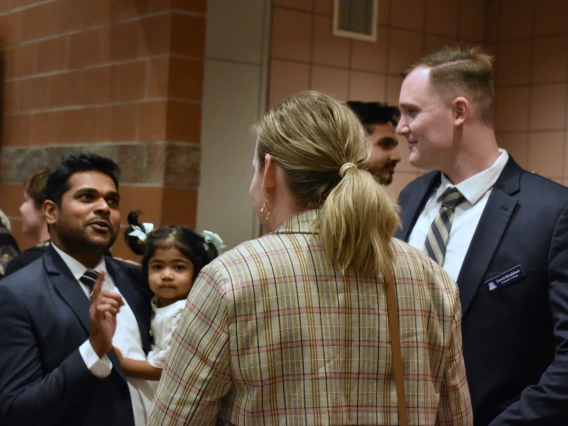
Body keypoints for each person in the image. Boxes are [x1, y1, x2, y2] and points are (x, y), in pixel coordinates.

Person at [148, 91, 472, 425]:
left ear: (270, 172)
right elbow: (456, 417)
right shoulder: (432, 279)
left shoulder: (231, 278)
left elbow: (174, 420)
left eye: (254, 169)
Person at [394, 46, 568, 425]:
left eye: (412, 112)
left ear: (459, 112)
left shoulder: (553, 213)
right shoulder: (409, 198)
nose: (400, 127)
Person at [0, 152, 154, 426]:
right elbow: (16, 410)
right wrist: (93, 349)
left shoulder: (137, 279)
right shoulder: (16, 294)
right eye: (87, 197)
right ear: (51, 211)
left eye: (112, 200)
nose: (104, 208)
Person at [114, 210, 220, 380]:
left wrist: (122, 363)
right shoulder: (157, 301)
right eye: (157, 266)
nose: (167, 275)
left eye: (178, 267)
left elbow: (168, 368)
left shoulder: (183, 312)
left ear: (197, 272)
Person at [4, 168, 51, 277]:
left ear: (46, 208)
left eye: (26, 200)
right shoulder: (72, 256)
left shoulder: (24, 264)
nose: (21, 208)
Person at [346, 101, 401, 184]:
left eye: (394, 145)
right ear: (351, 145)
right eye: (385, 144)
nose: (397, 157)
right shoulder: (325, 195)